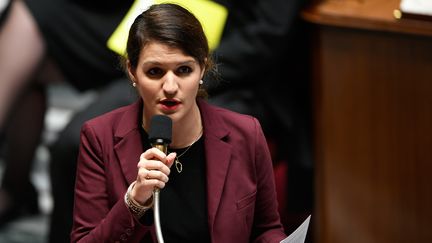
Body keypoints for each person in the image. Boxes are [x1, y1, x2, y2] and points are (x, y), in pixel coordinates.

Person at [71, 3, 287, 242]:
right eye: (155, 72)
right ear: (132, 72)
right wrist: (135, 201)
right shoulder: (99, 137)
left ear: (202, 69)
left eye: (184, 70)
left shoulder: (246, 133)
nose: (171, 87)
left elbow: (266, 229)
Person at [0, 0, 133, 229]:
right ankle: (16, 190)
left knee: (26, 45)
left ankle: (16, 190)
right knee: (28, 16)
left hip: (177, 12)